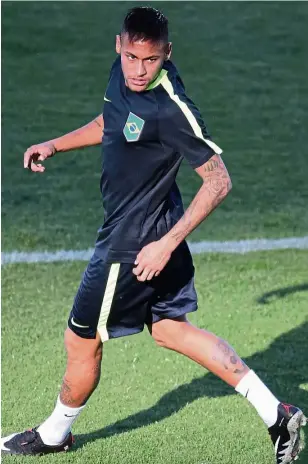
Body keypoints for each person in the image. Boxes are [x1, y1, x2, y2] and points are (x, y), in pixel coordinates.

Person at [1, 6, 306, 463]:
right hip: (153, 230)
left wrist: (165, 245)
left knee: (81, 338)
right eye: (132, 57)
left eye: (152, 60)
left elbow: (218, 181)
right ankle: (277, 414)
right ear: (119, 47)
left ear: (168, 53)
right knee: (169, 330)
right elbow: (111, 121)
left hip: (134, 242)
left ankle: (54, 434)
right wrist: (56, 144)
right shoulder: (121, 73)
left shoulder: (170, 109)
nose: (140, 70)